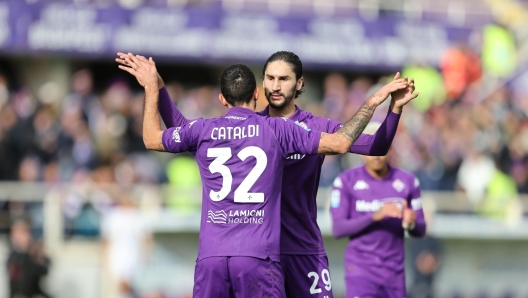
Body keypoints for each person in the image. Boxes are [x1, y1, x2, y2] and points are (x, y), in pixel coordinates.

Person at [117, 50, 418, 298]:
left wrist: (394, 111)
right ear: (259, 87)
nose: (276, 85)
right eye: (270, 78)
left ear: (299, 84)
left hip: (301, 248)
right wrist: (161, 89)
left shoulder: (315, 127)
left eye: (284, 79)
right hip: (258, 251)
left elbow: (376, 145)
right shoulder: (258, 127)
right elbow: (187, 131)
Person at [330, 122, 427, 298]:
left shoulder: (408, 181)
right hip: (360, 271)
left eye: (381, 147)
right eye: (370, 147)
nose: (376, 154)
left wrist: (411, 223)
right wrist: (375, 215)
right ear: (360, 151)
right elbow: (338, 229)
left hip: (394, 274)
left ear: (390, 149)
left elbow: (420, 229)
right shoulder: (346, 181)